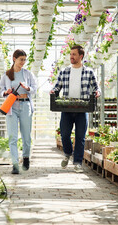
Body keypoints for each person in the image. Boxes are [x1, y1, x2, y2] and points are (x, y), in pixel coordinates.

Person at [50, 45, 100, 173]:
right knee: (65, 134)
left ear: (81, 56)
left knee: (80, 137)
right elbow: (57, 87)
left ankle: (77, 162)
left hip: (82, 108)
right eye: (70, 54)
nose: (71, 56)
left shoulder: (89, 72)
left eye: (74, 54)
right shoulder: (65, 71)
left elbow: (96, 87)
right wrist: (53, 91)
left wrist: (97, 92)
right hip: (67, 107)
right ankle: (67, 153)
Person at [0, 49, 37, 174]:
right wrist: (6, 92)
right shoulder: (7, 75)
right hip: (11, 107)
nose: (23, 62)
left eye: (25, 60)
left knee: (26, 136)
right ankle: (15, 164)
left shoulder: (28, 74)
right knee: (12, 137)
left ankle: (25, 157)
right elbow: (2, 90)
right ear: (14, 59)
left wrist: (27, 88)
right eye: (21, 59)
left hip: (25, 105)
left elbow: (34, 89)